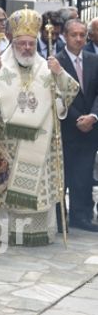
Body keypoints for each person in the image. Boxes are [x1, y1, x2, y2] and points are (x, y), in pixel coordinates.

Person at [0, 8, 79, 246]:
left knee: (35, 191)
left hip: (40, 142)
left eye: (30, 44)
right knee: (9, 191)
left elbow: (69, 93)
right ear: (13, 43)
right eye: (22, 43)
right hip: (10, 142)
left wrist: (60, 73)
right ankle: (9, 232)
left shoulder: (47, 68)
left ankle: (37, 232)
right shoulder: (0, 67)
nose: (26, 48)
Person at [55, 20, 98, 232]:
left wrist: (93, 116)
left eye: (83, 35)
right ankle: (59, 217)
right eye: (74, 35)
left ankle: (81, 215)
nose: (79, 39)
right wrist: (76, 119)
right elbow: (57, 95)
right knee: (63, 174)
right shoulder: (56, 62)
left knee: (84, 174)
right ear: (65, 35)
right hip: (67, 128)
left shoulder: (94, 60)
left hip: (90, 129)